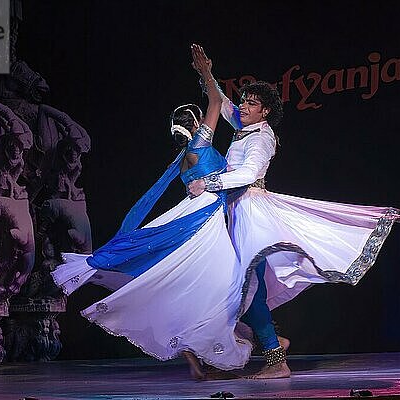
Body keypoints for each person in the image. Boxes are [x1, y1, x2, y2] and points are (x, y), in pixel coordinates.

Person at [187, 45, 400, 379]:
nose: (243, 106)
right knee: (241, 287)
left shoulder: (262, 137)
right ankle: (271, 344)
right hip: (236, 210)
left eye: (251, 103)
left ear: (266, 112)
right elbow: (223, 104)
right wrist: (206, 73)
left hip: (251, 211)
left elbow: (247, 174)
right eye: (244, 100)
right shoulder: (246, 127)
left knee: (244, 286)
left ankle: (275, 358)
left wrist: (208, 182)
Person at [51, 45, 254, 378]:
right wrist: (205, 71)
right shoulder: (200, 145)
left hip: (196, 212)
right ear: (196, 125)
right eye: (200, 119)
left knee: (194, 282)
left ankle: (192, 346)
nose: (206, 121)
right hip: (205, 219)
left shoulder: (183, 157)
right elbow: (217, 103)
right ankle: (208, 341)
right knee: (220, 285)